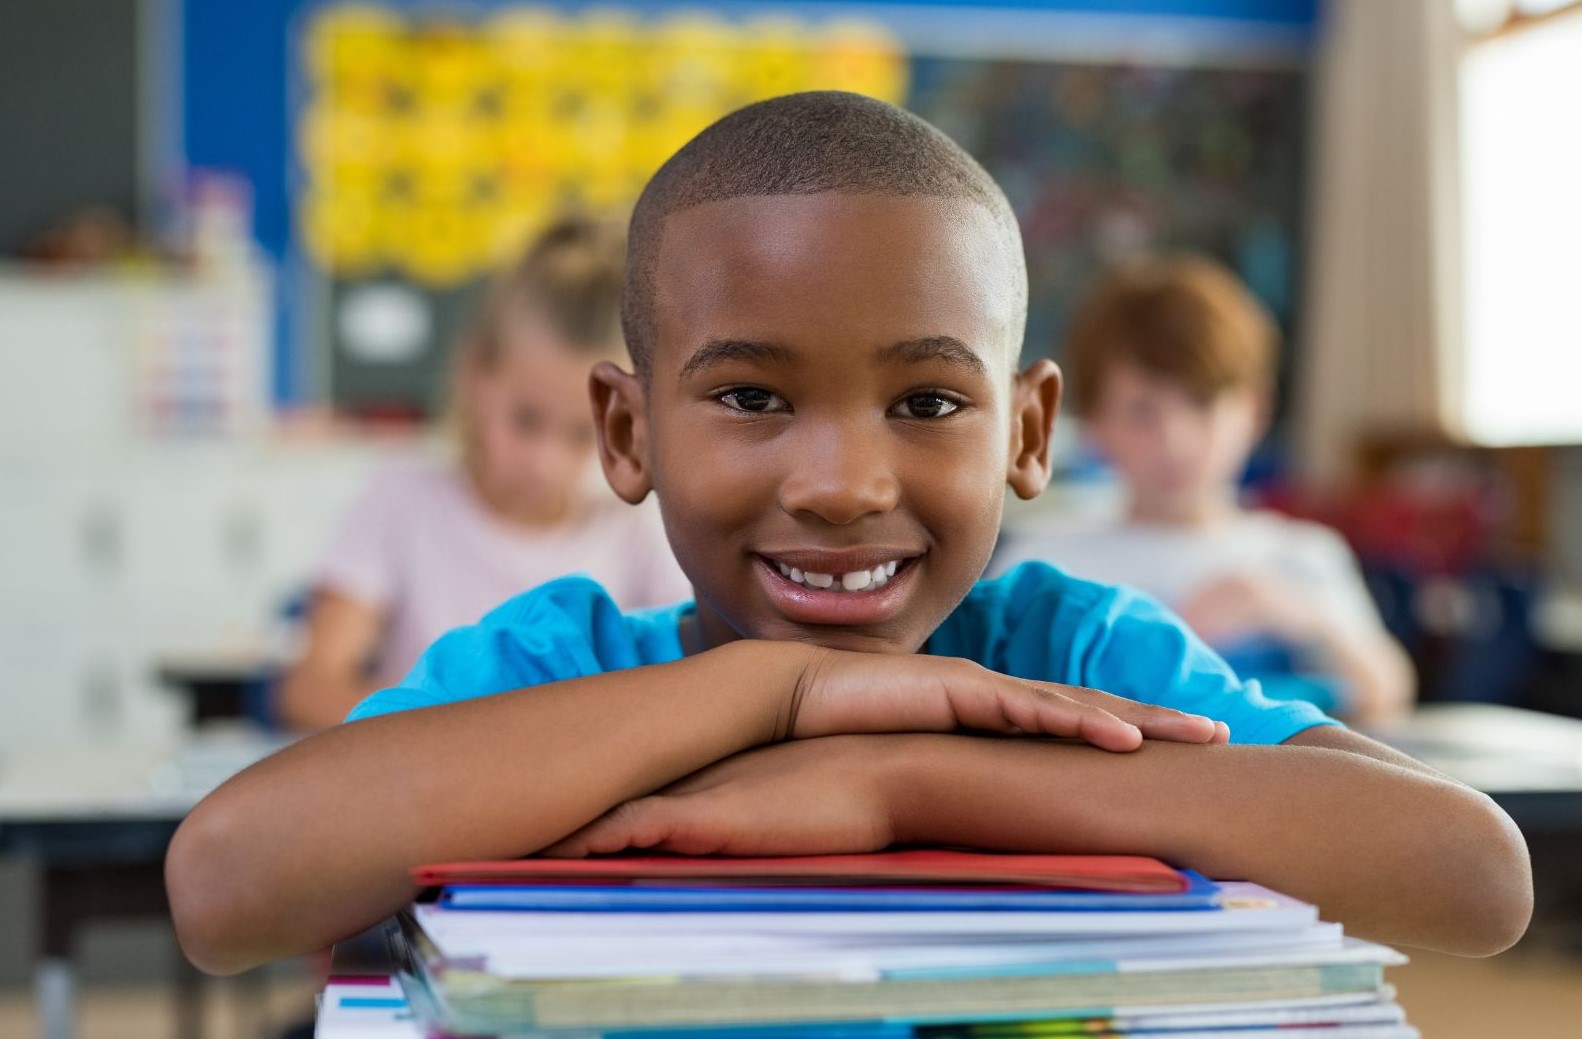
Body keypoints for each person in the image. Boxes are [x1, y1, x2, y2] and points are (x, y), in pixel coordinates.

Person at [167, 92, 1529, 976]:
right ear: (628, 433)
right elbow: (227, 885)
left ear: (1026, 433)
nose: (838, 480)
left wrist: (909, 780)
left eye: (928, 399)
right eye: (752, 396)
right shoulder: (561, 672)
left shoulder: (1068, 650)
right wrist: (776, 688)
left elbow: (1469, 873)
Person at [275, 218, 691, 730]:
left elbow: (689, 691)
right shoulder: (401, 499)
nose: (546, 462)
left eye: (581, 435)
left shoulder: (633, 528)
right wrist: (473, 737)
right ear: (475, 375)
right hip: (424, 786)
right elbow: (311, 688)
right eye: (526, 421)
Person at [993, 257, 1414, 725]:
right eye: (1141, 411)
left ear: (1254, 410)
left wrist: (1295, 616)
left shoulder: (1300, 555)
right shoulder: (1044, 564)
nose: (1176, 440)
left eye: (1201, 403)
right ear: (1095, 423)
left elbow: (1387, 692)